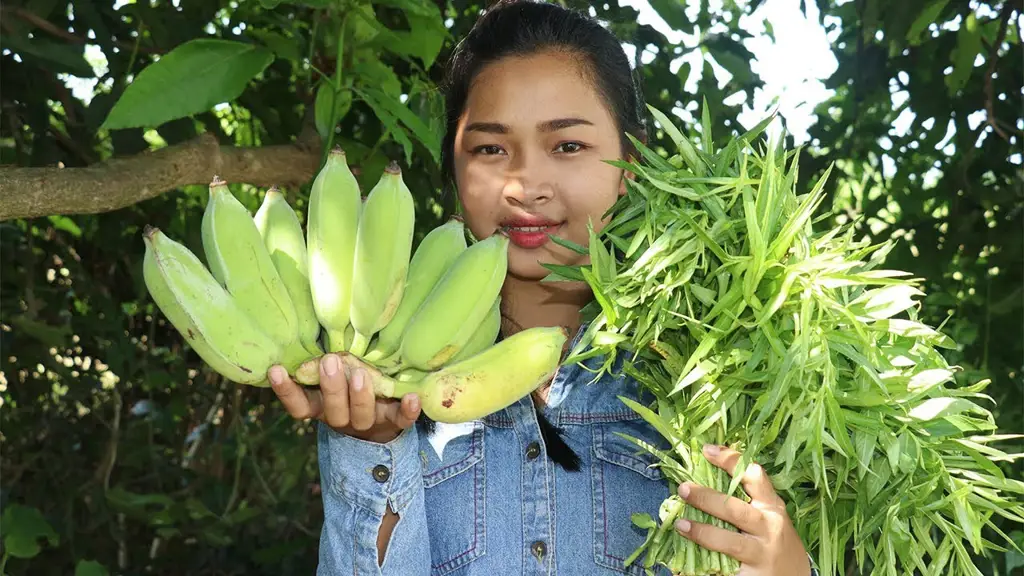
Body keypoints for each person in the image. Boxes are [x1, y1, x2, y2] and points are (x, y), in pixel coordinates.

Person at [269, 1, 819, 574]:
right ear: (453, 169)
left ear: (633, 163)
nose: (524, 185)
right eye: (490, 149)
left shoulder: (721, 385)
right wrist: (373, 447)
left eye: (567, 146)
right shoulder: (387, 382)